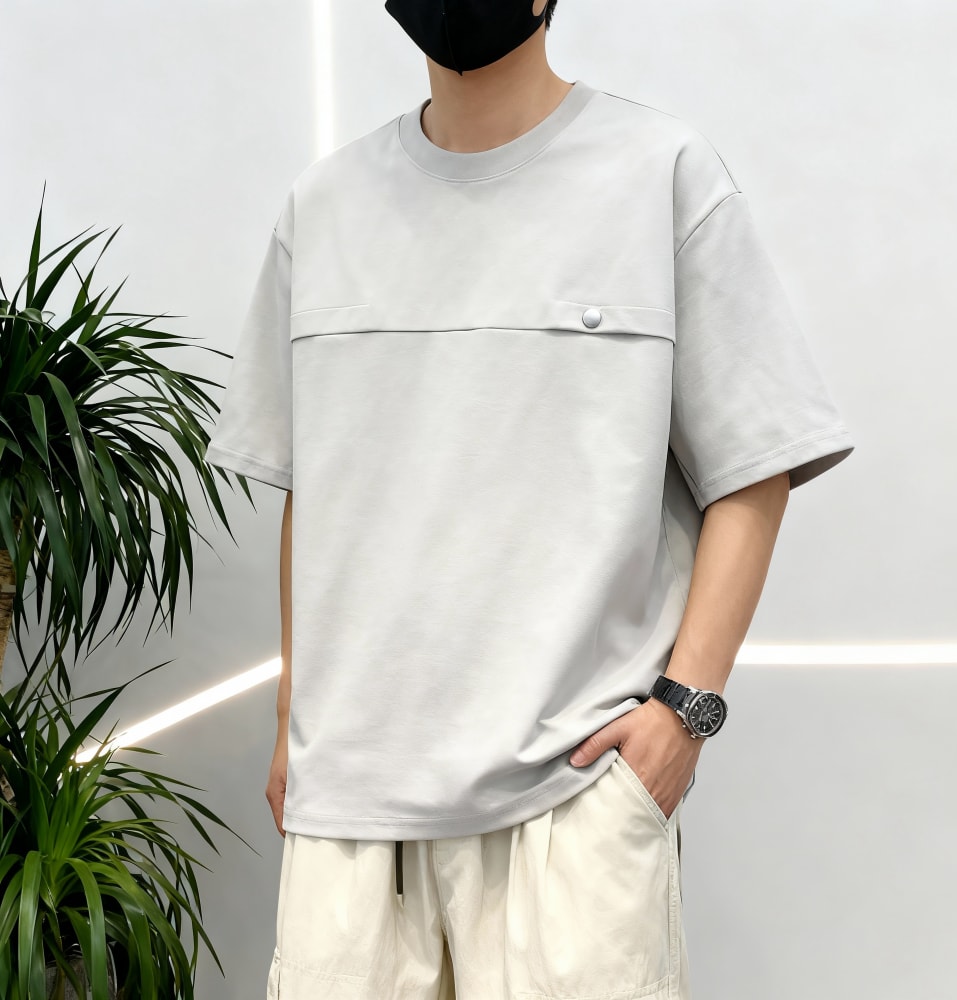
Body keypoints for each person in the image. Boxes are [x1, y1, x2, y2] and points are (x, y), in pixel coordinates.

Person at [205, 1, 855, 997]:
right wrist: (296, 717)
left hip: (573, 793)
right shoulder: (324, 208)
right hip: (350, 809)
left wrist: (683, 713)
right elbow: (316, 486)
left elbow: (755, 464)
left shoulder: (660, 175)